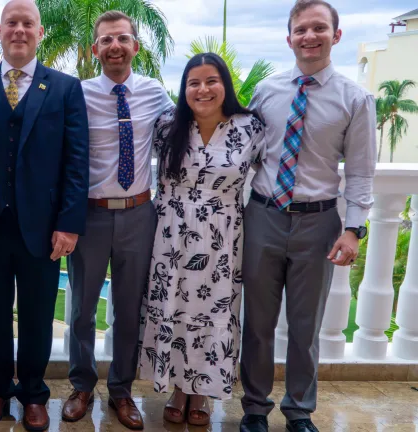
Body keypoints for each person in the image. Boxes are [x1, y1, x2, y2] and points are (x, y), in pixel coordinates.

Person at [239, 2, 376, 432]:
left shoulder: (355, 99)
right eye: (301, 29)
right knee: (257, 323)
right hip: (263, 216)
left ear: (336, 35)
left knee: (305, 327)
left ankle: (299, 409)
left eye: (319, 28)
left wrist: (353, 230)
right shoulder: (267, 90)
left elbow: (360, 172)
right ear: (289, 38)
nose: (309, 36)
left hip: (319, 224)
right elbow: (248, 153)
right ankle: (255, 409)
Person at [0, 0, 89, 430]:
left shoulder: (63, 88)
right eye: (11, 23)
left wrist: (69, 223)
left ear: (40, 33)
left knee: (39, 312)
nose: (19, 30)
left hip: (43, 228)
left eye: (28, 24)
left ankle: (34, 394)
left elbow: (77, 162)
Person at [138, 52, 266, 427]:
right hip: (172, 237)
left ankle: (202, 392)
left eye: (211, 80)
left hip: (222, 240)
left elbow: (270, 174)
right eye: (194, 82)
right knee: (176, 312)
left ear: (225, 85)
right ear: (184, 89)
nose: (203, 89)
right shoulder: (167, 126)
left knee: (213, 315)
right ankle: (179, 389)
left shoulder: (250, 128)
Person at [62, 10, 173, 431]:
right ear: (95, 49)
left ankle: (121, 390)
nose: (114, 46)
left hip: (139, 215)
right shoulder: (79, 94)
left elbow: (184, 134)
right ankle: (82, 386)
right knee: (81, 311)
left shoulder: (154, 93)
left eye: (122, 39)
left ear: (135, 47)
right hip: (89, 215)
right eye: (106, 40)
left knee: (129, 311)